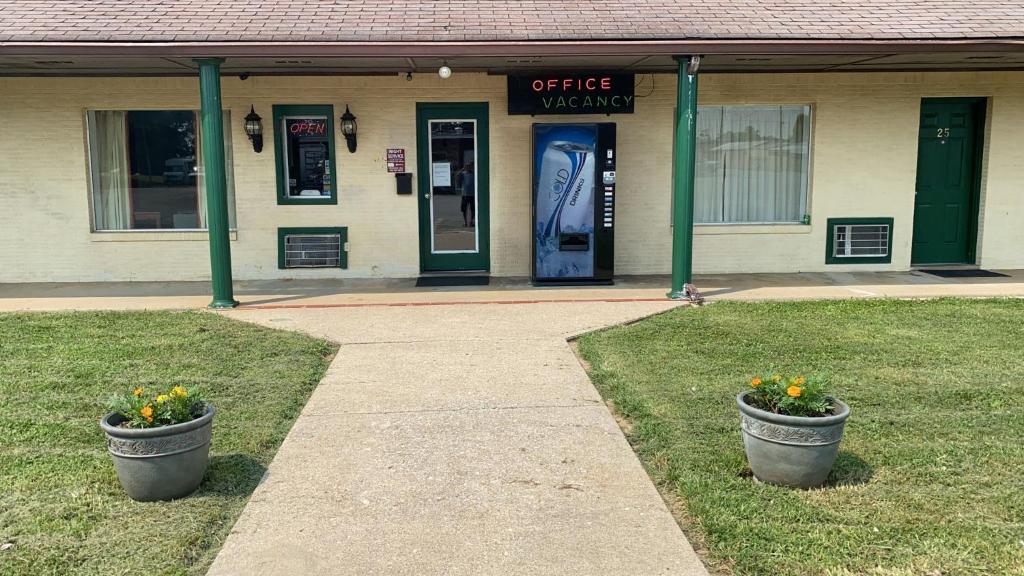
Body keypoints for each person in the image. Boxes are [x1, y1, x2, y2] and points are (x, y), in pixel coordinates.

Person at [458, 162, 475, 227]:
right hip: (465, 194)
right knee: (464, 209)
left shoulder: (474, 174)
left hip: (472, 194)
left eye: (469, 166)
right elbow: (457, 175)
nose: (468, 167)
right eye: (467, 166)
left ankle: (471, 221)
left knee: (473, 209)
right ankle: (465, 222)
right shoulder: (463, 174)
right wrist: (462, 169)